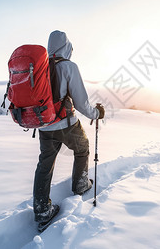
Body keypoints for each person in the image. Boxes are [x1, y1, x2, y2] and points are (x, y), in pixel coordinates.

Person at [33, 30, 105, 224]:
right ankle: (80, 185)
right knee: (82, 148)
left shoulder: (41, 67)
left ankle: (41, 211)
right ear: (66, 47)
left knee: (44, 165)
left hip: (44, 125)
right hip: (66, 124)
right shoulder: (68, 66)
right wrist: (96, 114)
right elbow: (81, 103)